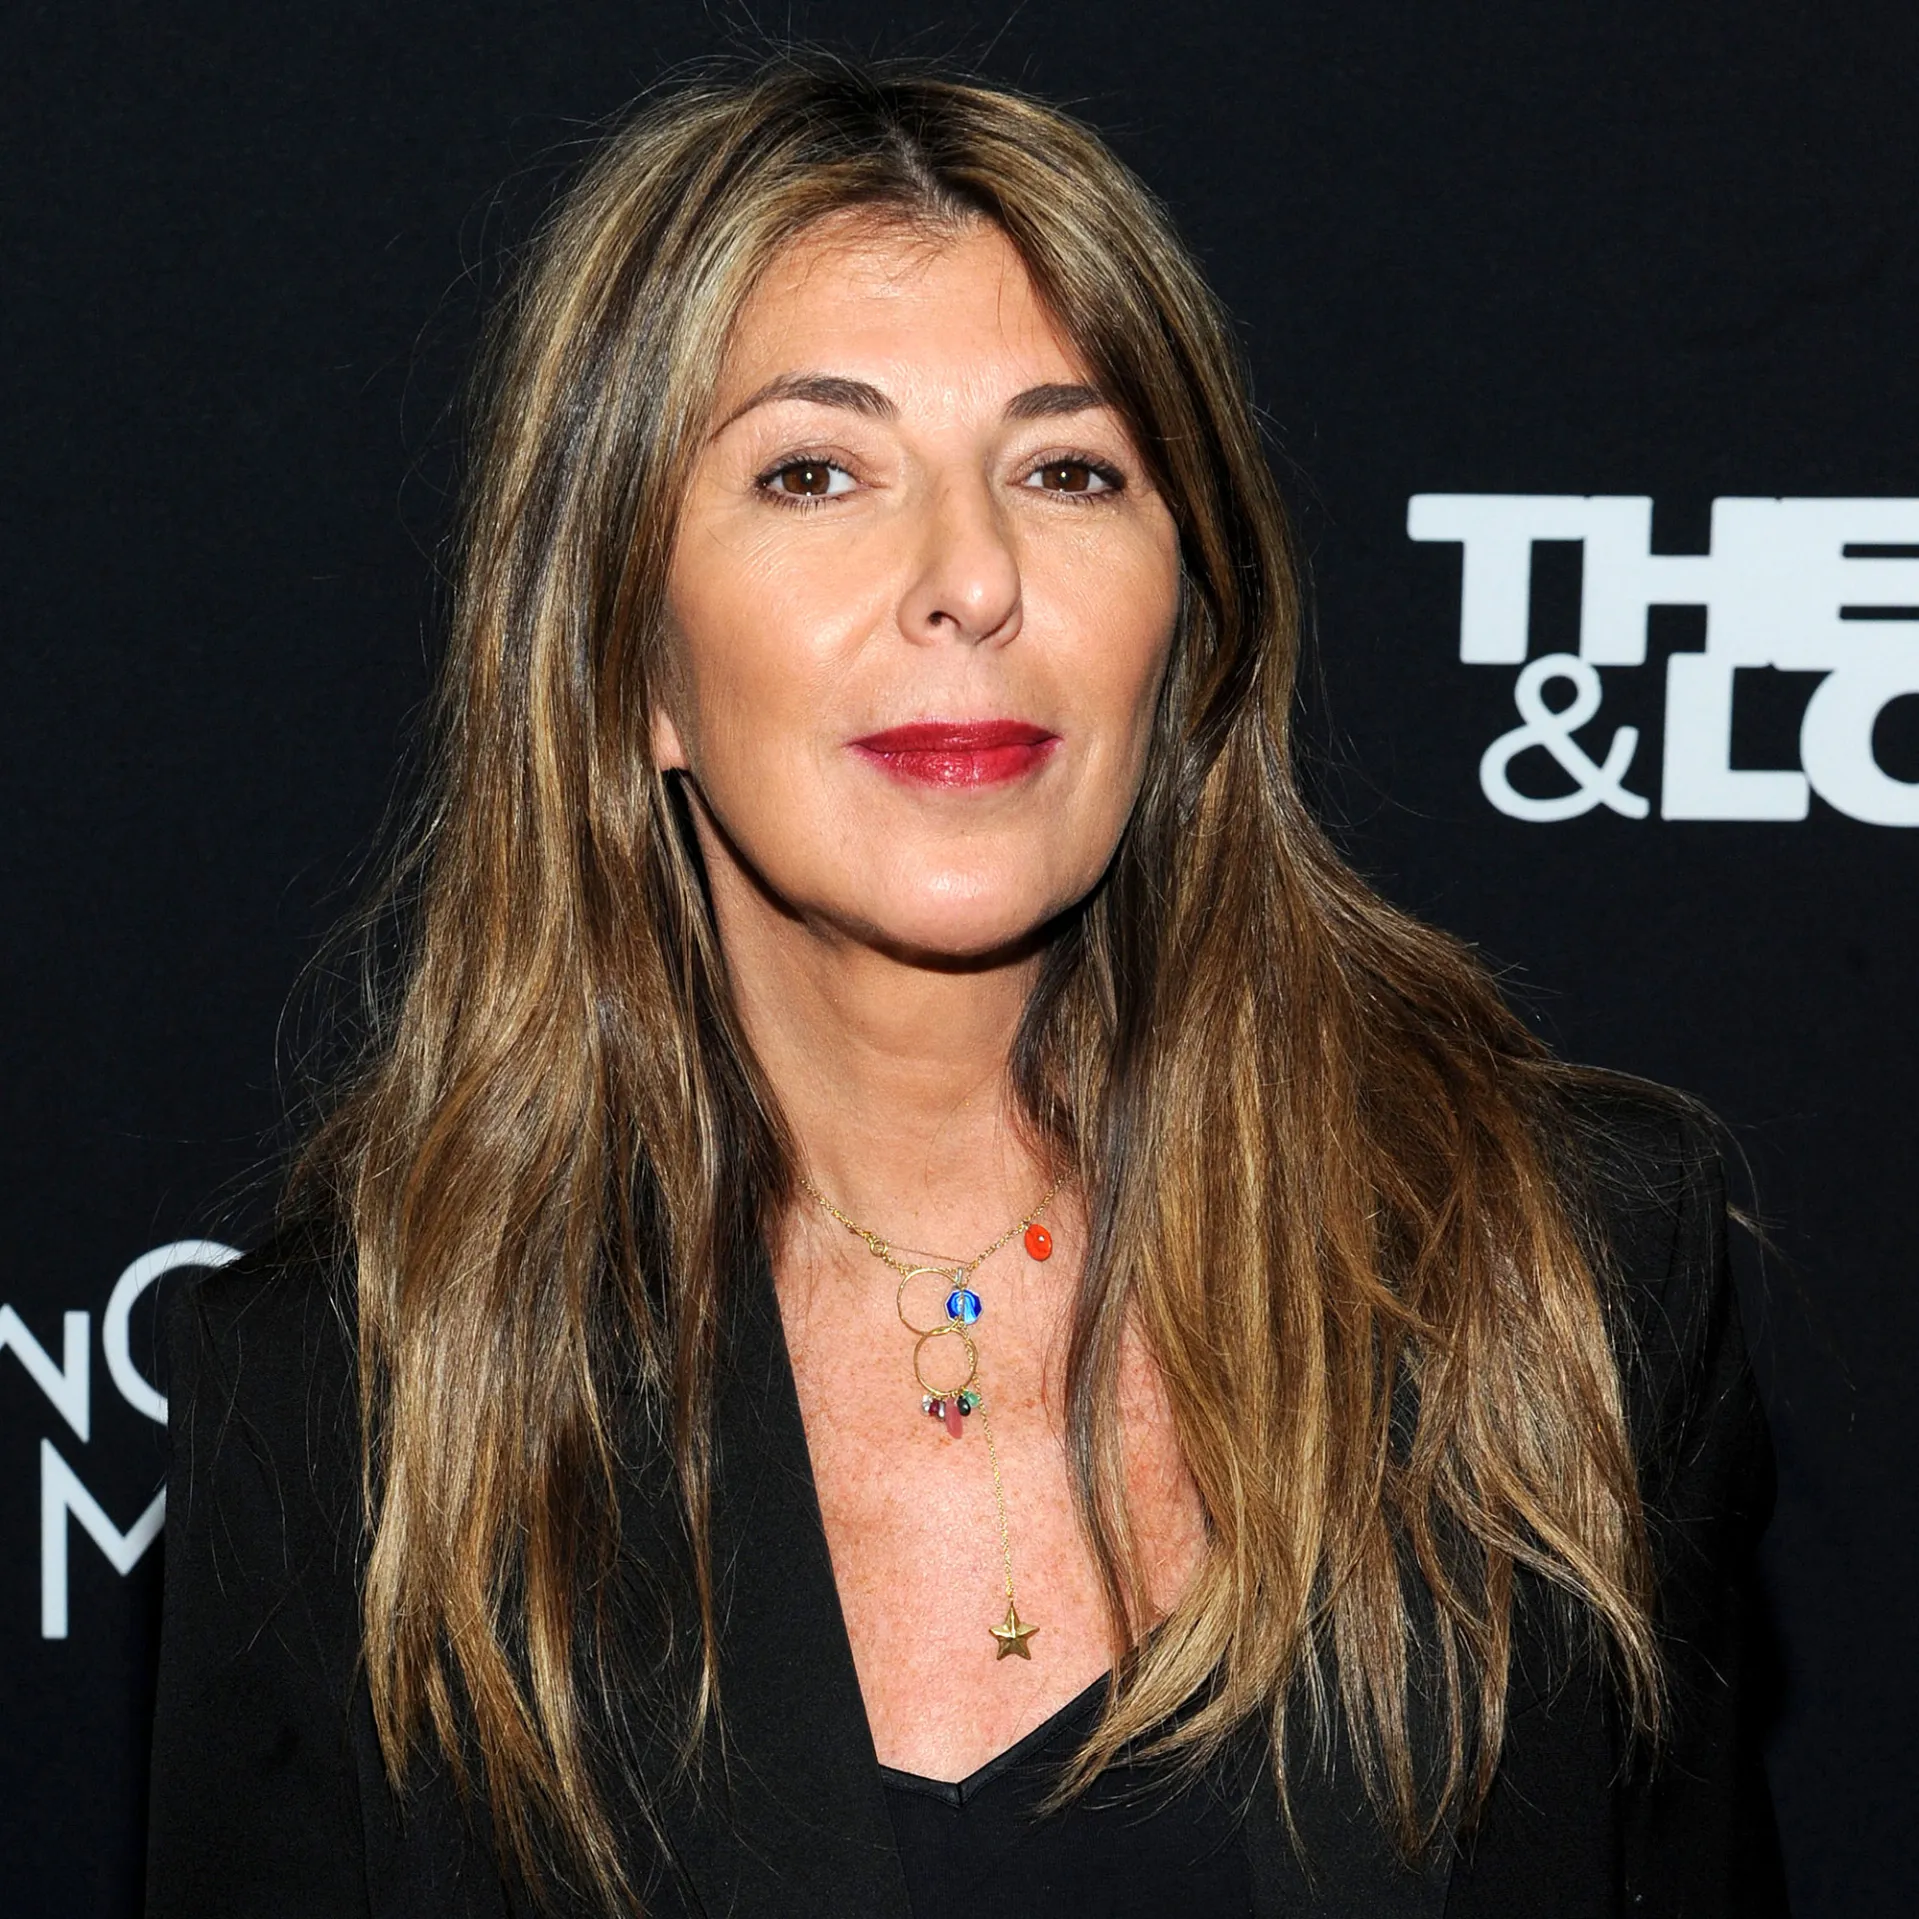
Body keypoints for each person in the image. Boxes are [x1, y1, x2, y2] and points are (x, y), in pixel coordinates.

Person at [145, 59, 1786, 1919]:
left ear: (1186, 623)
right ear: (627, 657)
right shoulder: (351, 1403)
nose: (970, 578)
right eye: (814, 471)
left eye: (1067, 470)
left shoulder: (1556, 1271)